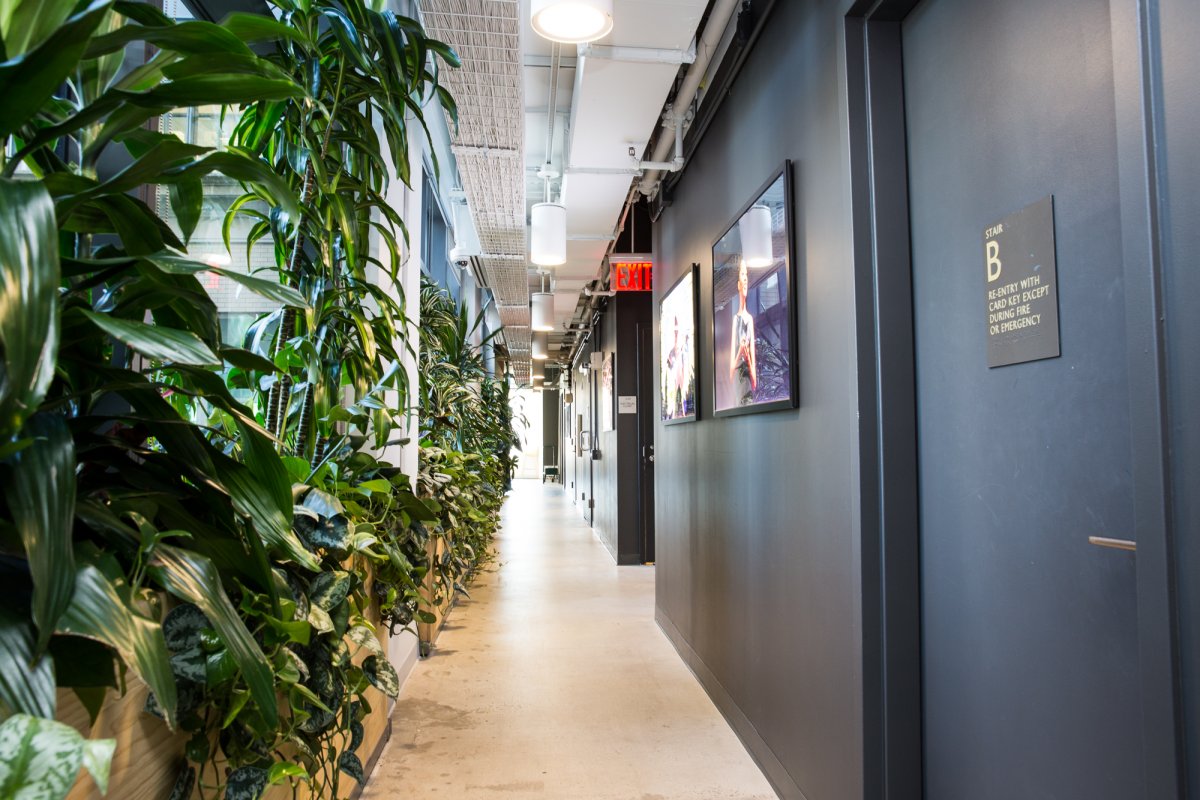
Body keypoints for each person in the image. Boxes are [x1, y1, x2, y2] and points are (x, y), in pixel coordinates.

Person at [728, 259, 757, 405]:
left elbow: (754, 379)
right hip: (739, 386)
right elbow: (731, 372)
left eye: (746, 275)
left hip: (748, 387)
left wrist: (748, 358)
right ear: (738, 284)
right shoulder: (735, 320)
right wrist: (740, 351)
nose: (745, 279)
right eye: (742, 275)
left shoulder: (750, 319)